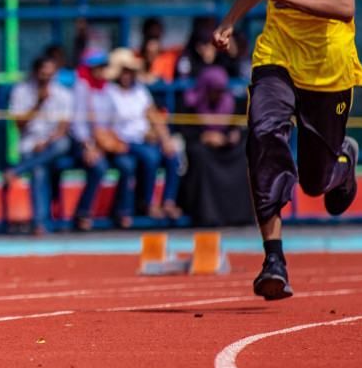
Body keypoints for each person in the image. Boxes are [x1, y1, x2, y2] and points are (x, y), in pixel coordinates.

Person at [213, 0, 362, 300]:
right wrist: (230, 20)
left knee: (315, 183)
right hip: (276, 53)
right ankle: (273, 258)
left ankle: (342, 164)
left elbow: (343, 5)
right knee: (262, 133)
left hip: (327, 66)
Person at [91, 48, 182, 224]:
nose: (127, 74)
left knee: (172, 155)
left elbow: (153, 115)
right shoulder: (109, 92)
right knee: (150, 157)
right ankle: (146, 203)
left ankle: (168, 201)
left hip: (144, 139)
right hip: (122, 141)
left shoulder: (139, 90)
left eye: (129, 70)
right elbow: (105, 128)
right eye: (123, 70)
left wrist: (165, 138)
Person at [175, 65, 254, 227]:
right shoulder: (190, 104)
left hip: (225, 148)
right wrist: (204, 136)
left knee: (242, 153)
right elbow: (184, 131)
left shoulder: (231, 103)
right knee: (198, 155)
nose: (218, 94)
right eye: (215, 90)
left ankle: (237, 213)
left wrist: (234, 135)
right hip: (201, 147)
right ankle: (206, 213)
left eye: (221, 90)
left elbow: (240, 126)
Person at [3, 54, 74, 233]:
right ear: (35, 72)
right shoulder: (21, 91)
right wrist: (39, 103)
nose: (46, 77)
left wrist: (47, 141)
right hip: (29, 146)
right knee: (39, 170)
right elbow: (19, 125)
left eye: (50, 73)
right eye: (43, 73)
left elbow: (64, 128)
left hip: (54, 146)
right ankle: (39, 224)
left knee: (62, 144)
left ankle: (17, 171)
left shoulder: (63, 94)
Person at [61, 49, 113, 231]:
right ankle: (83, 212)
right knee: (99, 167)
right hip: (81, 143)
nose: (100, 70)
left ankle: (125, 212)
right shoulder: (81, 86)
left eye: (102, 66)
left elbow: (110, 119)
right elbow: (77, 124)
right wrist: (90, 145)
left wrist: (104, 143)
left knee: (128, 163)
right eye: (96, 66)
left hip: (103, 143)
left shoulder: (105, 87)